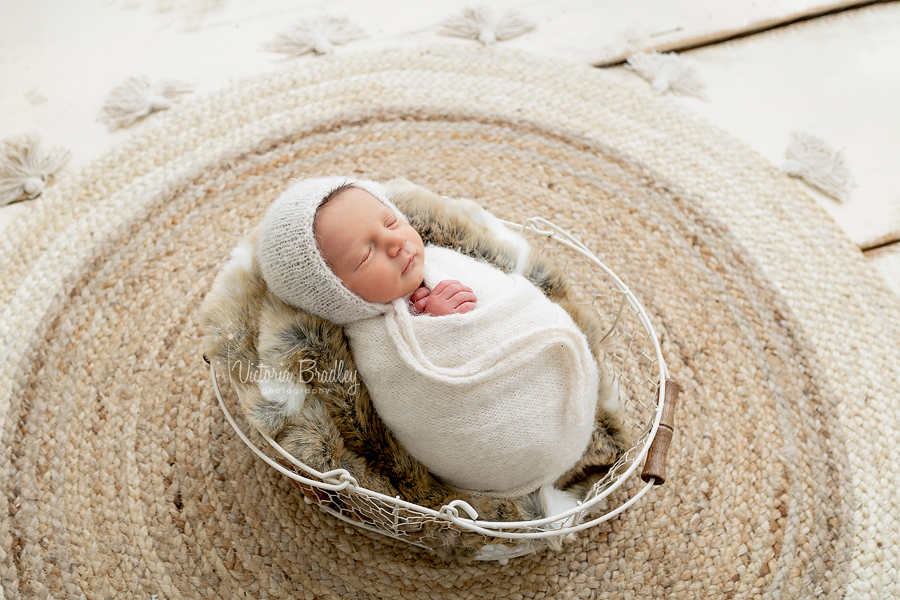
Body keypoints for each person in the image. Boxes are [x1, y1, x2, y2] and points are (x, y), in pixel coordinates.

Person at [258, 176, 605, 497]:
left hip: (564, 391)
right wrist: (443, 329)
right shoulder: (370, 339)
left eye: (391, 221)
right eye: (366, 254)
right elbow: (416, 396)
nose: (395, 242)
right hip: (499, 448)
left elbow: (512, 300)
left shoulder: (443, 260)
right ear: (335, 295)